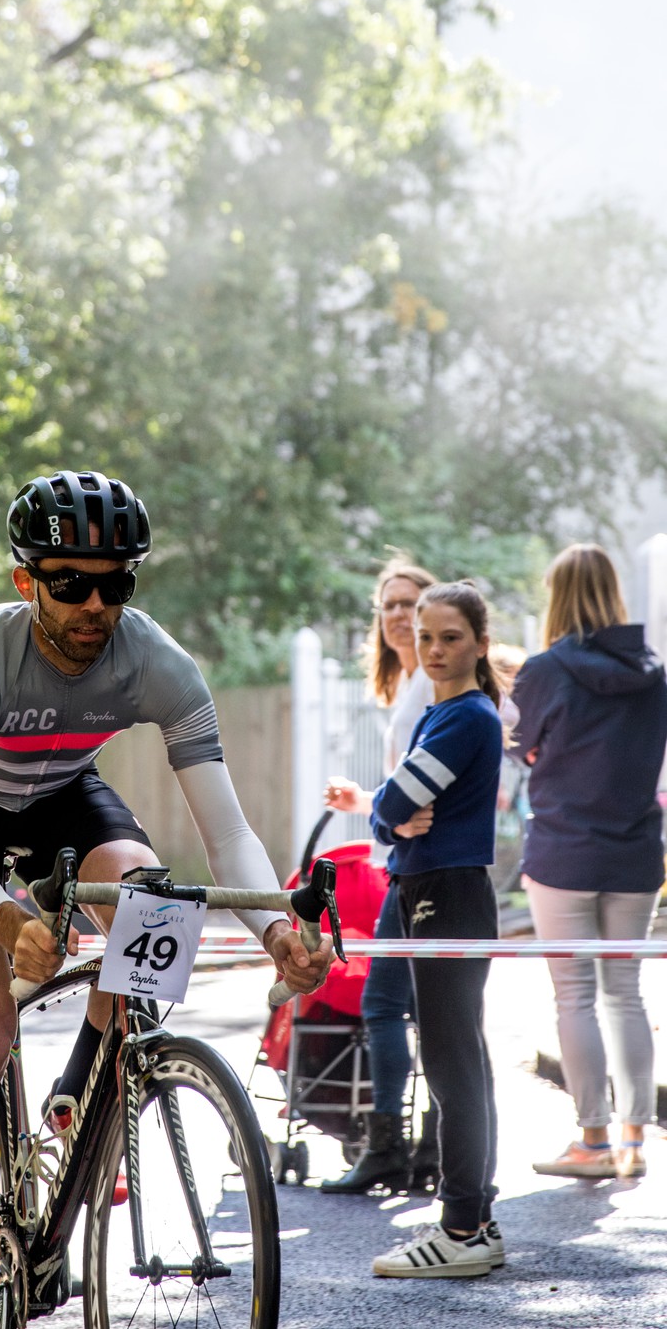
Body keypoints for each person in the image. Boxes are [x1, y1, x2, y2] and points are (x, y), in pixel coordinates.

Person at [0, 469, 333, 1329]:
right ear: (26, 582)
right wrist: (8, 917)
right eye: (70, 585)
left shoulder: (159, 662)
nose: (96, 605)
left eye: (117, 583)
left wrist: (277, 923)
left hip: (62, 790)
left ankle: (79, 1084)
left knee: (155, 903)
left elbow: (228, 832)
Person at [322, 582, 506, 1279]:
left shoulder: (464, 717)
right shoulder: (444, 712)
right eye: (426, 636)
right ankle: (472, 1220)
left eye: (450, 637)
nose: (433, 649)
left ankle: (463, 1228)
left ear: (481, 644)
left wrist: (388, 815)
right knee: (457, 1064)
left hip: (448, 894)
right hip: (432, 888)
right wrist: (388, 817)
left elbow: (395, 801)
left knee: (455, 1068)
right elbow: (391, 810)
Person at [512, 543, 667, 1182]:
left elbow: (519, 747)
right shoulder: (656, 672)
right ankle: (634, 1141)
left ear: (558, 596)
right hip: (635, 851)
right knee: (626, 994)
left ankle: (594, 1141)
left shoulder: (544, 669)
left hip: (563, 853)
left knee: (573, 996)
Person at [320, 559, 439, 1194]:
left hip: (420, 869)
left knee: (386, 1004)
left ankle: (396, 1144)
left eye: (409, 602)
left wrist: (408, 813)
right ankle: (427, 1145)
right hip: (406, 861)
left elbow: (441, 774)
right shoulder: (411, 683)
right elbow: (408, 789)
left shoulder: (433, 682)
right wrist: (367, 803)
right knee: (425, 1009)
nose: (397, 614)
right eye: (388, 604)